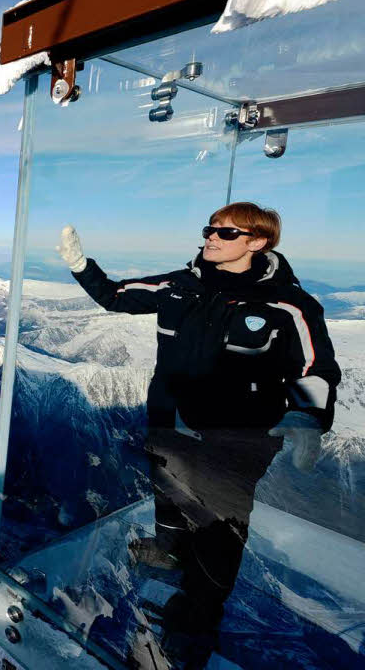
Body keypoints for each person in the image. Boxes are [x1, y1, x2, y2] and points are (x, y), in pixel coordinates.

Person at [57, 202, 341, 669]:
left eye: (226, 233)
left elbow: (315, 366)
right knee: (167, 491)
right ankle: (168, 552)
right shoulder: (179, 283)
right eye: (210, 229)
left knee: (219, 528)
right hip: (171, 418)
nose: (211, 237)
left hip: (239, 436)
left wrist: (307, 418)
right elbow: (116, 297)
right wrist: (81, 265)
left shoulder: (289, 305)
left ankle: (193, 631)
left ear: (257, 242)